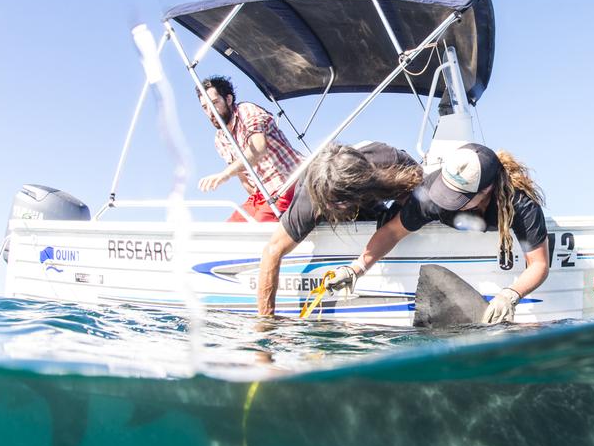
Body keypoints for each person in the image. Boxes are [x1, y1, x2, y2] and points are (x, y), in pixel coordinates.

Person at [330, 143, 550, 324]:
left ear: (486, 190)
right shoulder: (432, 193)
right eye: (447, 192)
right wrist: (355, 269)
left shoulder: (520, 204)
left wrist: (511, 295)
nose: (449, 201)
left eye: (459, 197)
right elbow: (392, 232)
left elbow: (539, 264)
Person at [257, 141, 422, 316]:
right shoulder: (310, 203)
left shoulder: (389, 161)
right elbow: (272, 251)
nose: (333, 206)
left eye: (339, 202)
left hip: (371, 194)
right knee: (327, 210)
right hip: (321, 202)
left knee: (409, 208)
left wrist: (396, 222)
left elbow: (422, 187)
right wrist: (267, 319)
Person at [196, 75, 303, 222]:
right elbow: (243, 178)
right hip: (263, 193)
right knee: (228, 230)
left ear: (228, 99)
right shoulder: (220, 139)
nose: (210, 111)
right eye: (205, 107)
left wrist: (225, 175)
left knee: (259, 225)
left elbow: (259, 148)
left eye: (214, 103)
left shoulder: (246, 111)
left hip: (288, 182)